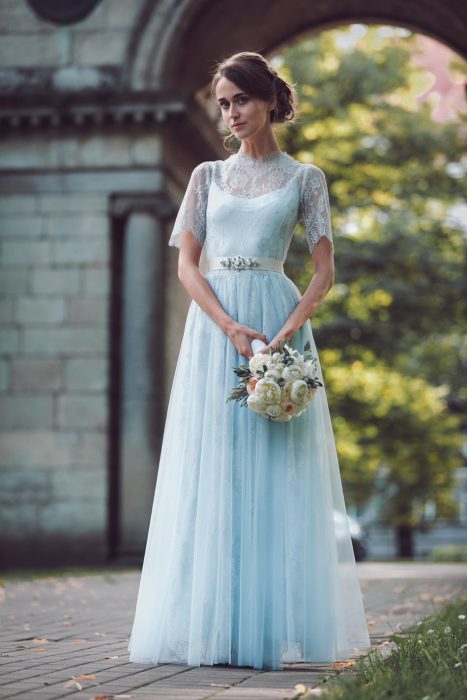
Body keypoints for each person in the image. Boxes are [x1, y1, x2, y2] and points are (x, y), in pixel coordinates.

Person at [127, 50, 372, 670]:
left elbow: (323, 271)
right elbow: (187, 263)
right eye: (224, 103)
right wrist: (230, 325)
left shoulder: (305, 178)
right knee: (213, 465)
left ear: (269, 101)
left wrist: (285, 334)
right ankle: (212, 626)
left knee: (270, 470)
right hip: (217, 327)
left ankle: (266, 627)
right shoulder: (206, 177)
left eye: (241, 99)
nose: (232, 113)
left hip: (278, 319)